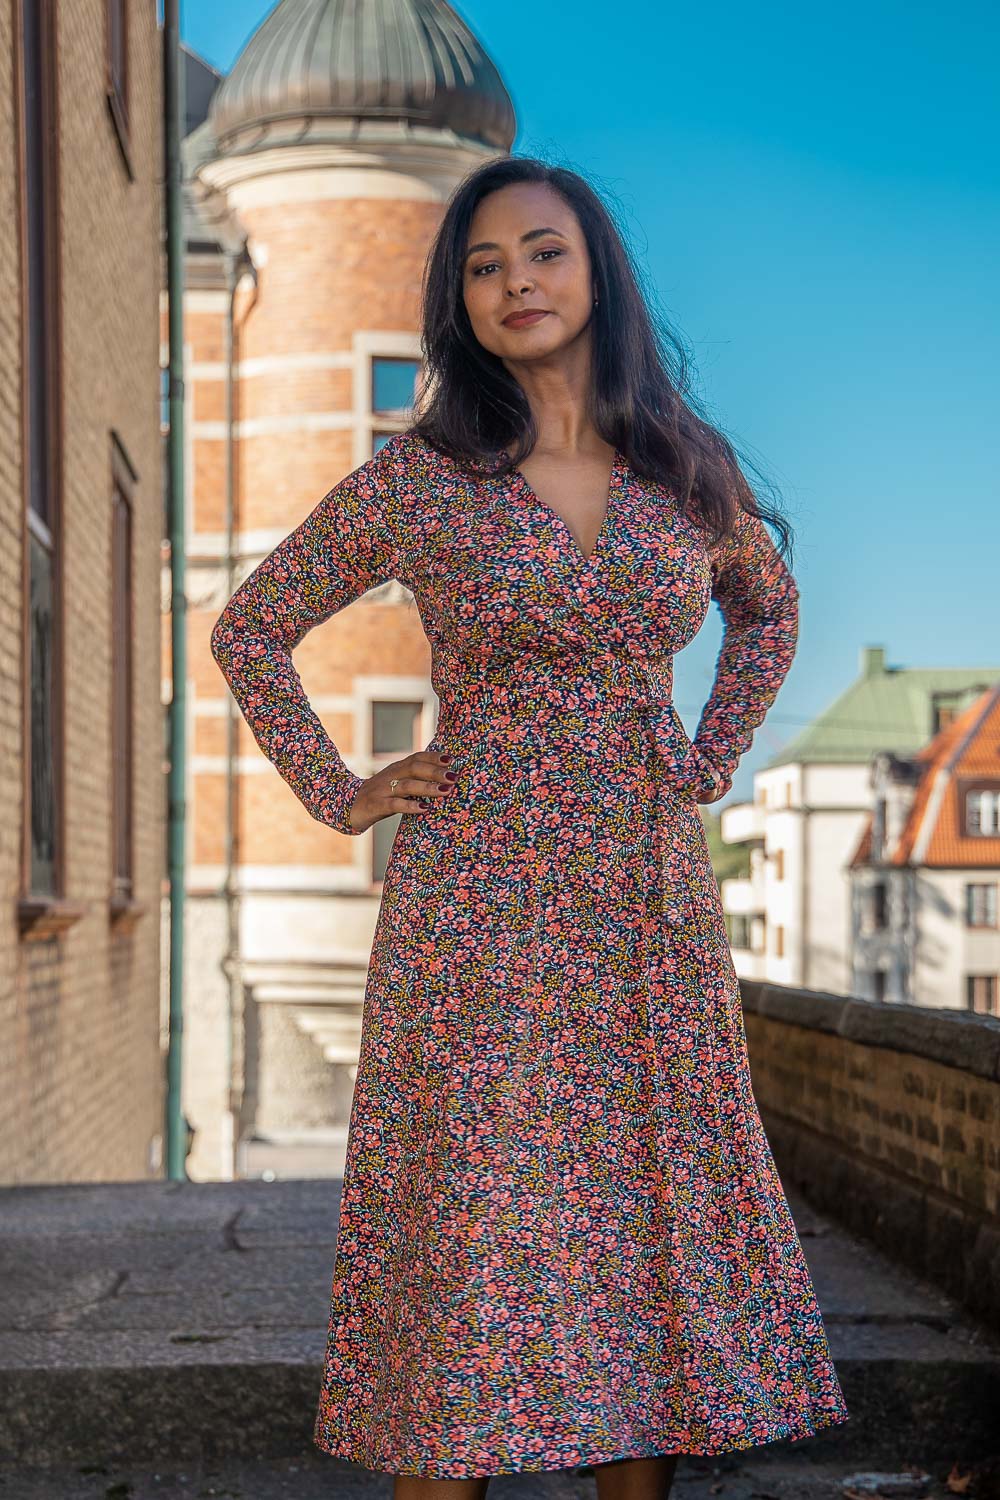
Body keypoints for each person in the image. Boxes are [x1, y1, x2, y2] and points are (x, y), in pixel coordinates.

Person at [210, 154, 849, 1497]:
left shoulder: (683, 468)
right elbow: (252, 627)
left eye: (542, 253)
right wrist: (344, 790)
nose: (515, 284)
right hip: (477, 892)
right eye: (484, 266)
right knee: (473, 1210)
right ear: (461, 300)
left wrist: (709, 756)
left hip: (640, 892)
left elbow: (770, 608)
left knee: (641, 1203)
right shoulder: (422, 480)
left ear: (595, 270)